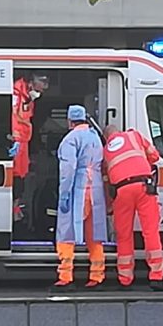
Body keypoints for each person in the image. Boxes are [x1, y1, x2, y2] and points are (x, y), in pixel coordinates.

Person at [103, 127, 163, 290]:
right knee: (150, 232)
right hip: (143, 186)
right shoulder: (134, 135)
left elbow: (106, 179)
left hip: (121, 190)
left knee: (124, 236)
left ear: (106, 138)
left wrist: (109, 205)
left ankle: (125, 278)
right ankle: (156, 277)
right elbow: (154, 155)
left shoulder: (105, 151)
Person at [54, 104, 108, 289]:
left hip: (78, 189)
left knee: (66, 232)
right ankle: (97, 275)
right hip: (96, 190)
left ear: (70, 121)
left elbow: (68, 170)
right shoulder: (95, 137)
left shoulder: (70, 139)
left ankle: (66, 275)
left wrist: (64, 194)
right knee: (94, 233)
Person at [11, 73, 48, 225]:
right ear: (32, 82)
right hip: (17, 141)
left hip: (23, 142)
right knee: (15, 177)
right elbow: (13, 117)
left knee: (21, 176)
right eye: (43, 83)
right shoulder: (15, 94)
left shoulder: (27, 97)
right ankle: (14, 210)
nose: (44, 88)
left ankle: (16, 210)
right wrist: (13, 139)